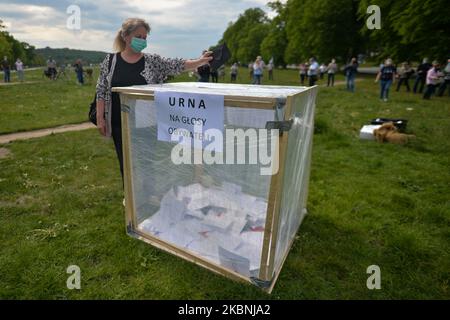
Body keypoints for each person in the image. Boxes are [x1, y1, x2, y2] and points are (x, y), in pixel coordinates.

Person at [96, 18, 212, 183]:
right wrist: (101, 118)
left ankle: (147, 199)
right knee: (125, 163)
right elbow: (101, 90)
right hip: (119, 123)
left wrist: (199, 62)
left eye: (145, 37)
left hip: (145, 124)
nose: (143, 41)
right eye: (139, 37)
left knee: (146, 164)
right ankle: (130, 200)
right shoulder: (110, 61)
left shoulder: (152, 62)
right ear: (126, 36)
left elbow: (176, 65)